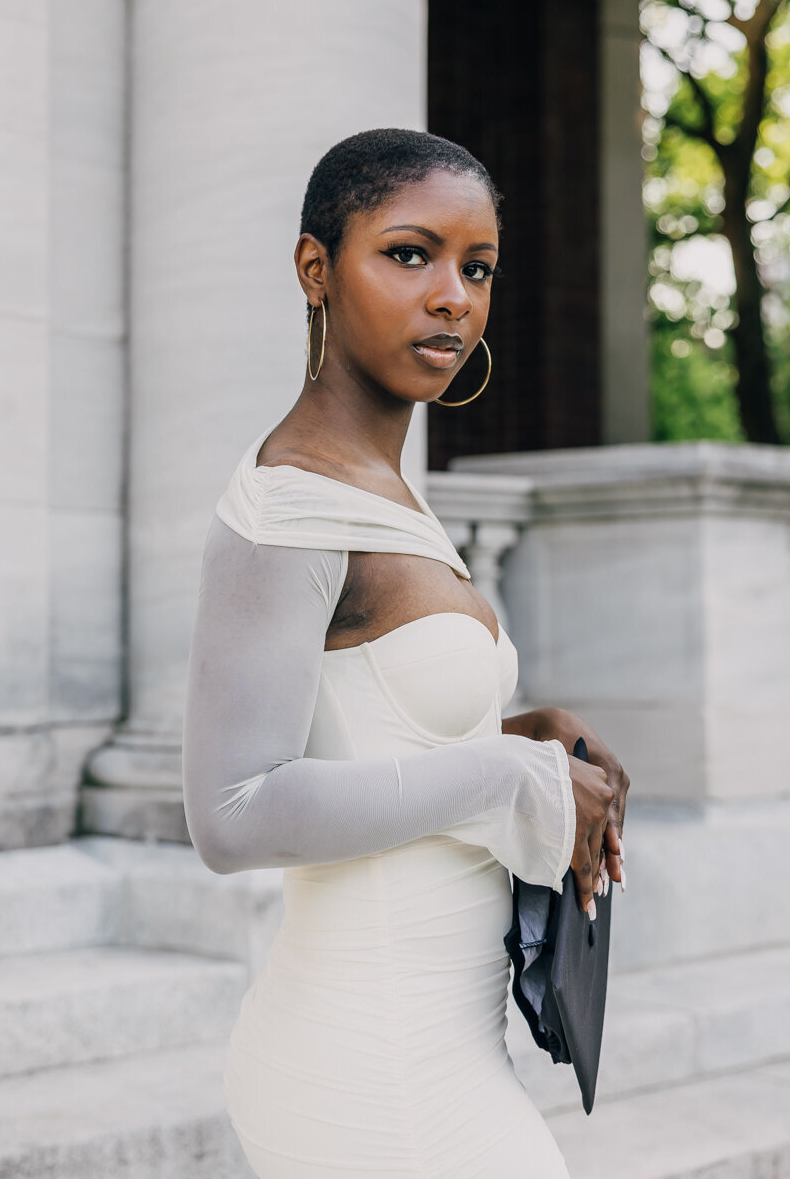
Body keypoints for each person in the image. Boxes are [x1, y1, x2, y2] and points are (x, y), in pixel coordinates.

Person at [181, 128, 630, 1179]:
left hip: (440, 1047)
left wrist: (523, 731)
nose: (452, 298)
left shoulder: (380, 484)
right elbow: (231, 815)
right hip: (370, 1068)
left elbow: (361, 722)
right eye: (408, 253)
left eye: (475, 268)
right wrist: (511, 774)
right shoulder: (290, 505)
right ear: (315, 269)